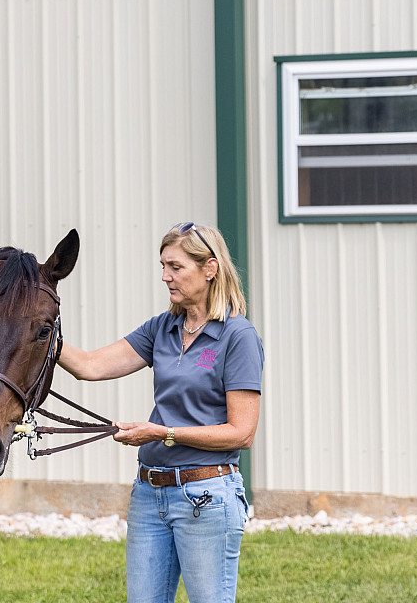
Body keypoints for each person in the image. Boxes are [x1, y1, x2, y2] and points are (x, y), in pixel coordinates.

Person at [58, 222, 264, 603]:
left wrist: (161, 433)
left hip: (207, 496)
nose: (165, 277)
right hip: (150, 494)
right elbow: (90, 366)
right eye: (162, 266)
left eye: (175, 267)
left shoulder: (238, 336)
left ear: (210, 268)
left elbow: (241, 433)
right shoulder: (162, 328)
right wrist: (40, 334)